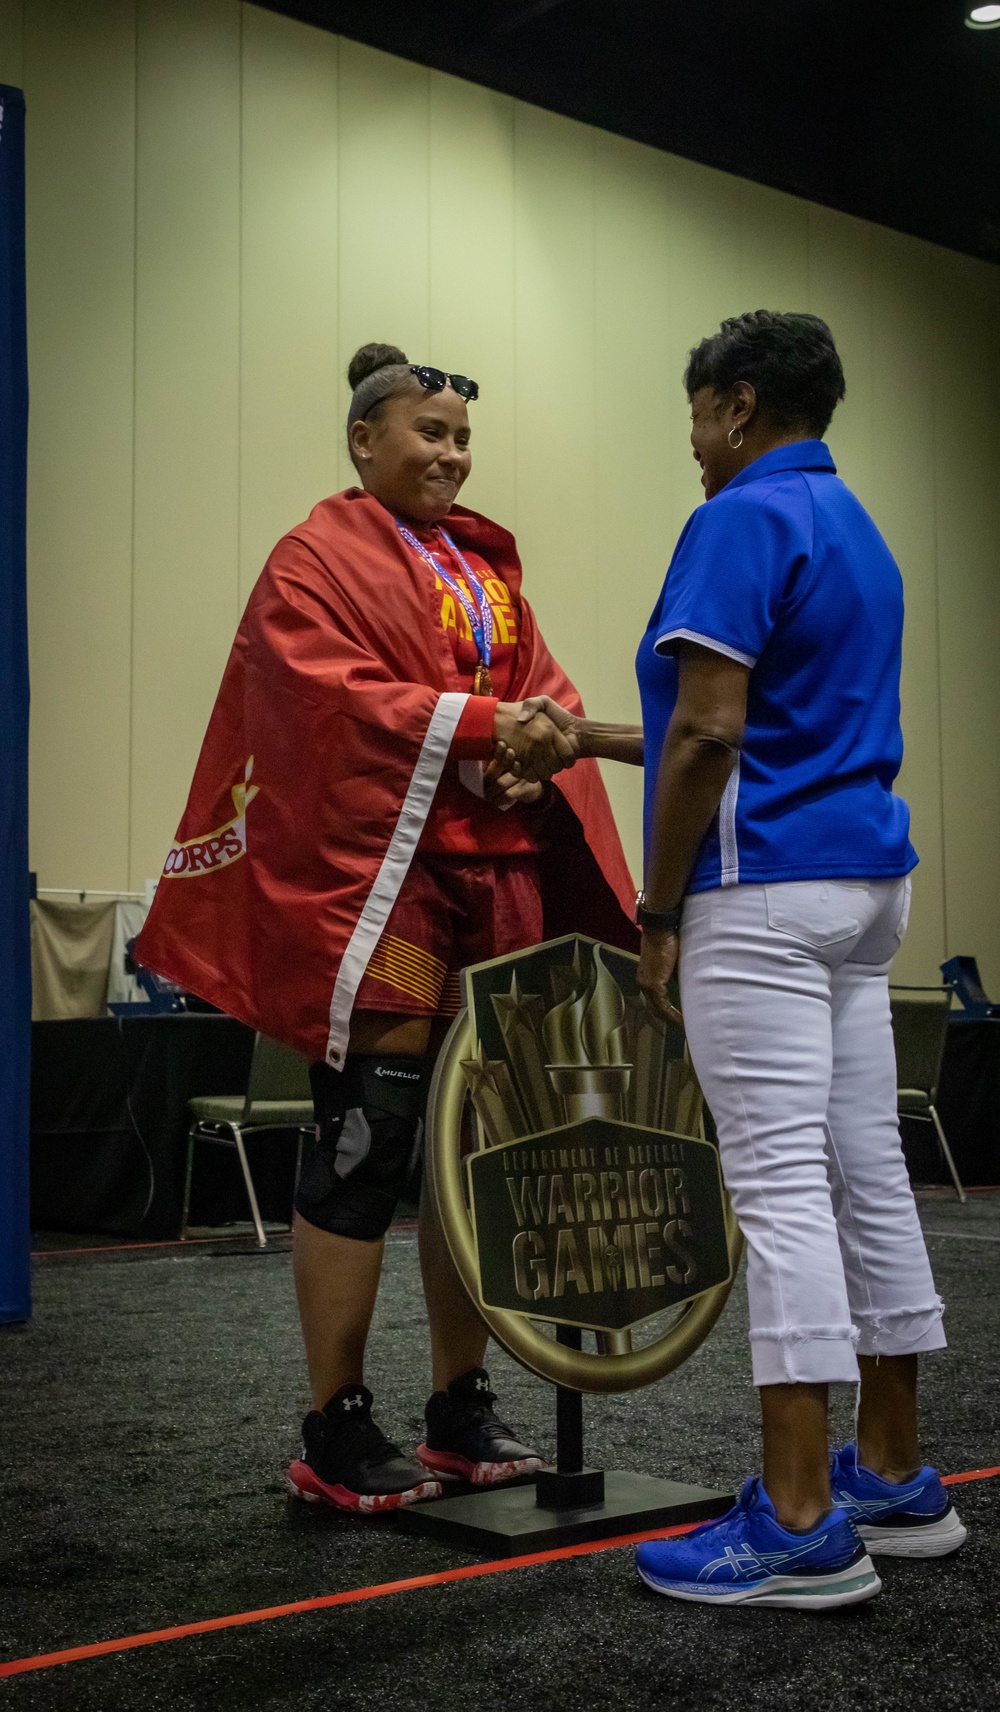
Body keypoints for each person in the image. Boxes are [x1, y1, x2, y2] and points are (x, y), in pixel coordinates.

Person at [136, 343, 637, 1512]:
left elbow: (544, 689)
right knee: (370, 1136)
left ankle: (459, 1405)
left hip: (495, 879)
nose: (451, 456)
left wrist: (533, 751)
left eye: (462, 438)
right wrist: (479, 722)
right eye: (429, 433)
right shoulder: (316, 555)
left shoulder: (485, 562)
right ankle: (334, 1421)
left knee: (480, 1148)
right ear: (366, 441)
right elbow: (322, 690)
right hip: (391, 879)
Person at [522, 311, 965, 1609]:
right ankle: (891, 1474)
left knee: (775, 1194)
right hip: (861, 892)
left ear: (736, 405)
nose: (695, 448)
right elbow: (736, 726)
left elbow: (711, 736)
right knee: (865, 1175)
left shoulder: (735, 519)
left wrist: (656, 912)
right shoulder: (860, 533)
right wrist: (587, 738)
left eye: (699, 419)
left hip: (758, 895)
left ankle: (798, 1523)